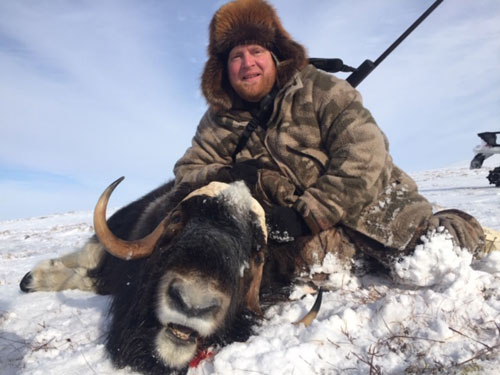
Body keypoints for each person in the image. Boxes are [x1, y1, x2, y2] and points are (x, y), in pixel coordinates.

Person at [173, 0, 485, 272]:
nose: (247, 63)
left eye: (256, 50)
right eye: (236, 56)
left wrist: (309, 215)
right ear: (223, 68)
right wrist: (227, 174)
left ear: (274, 55)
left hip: (371, 210)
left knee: (435, 252)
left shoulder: (320, 89)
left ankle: (466, 228)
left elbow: (366, 154)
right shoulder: (217, 121)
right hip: (295, 236)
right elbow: (186, 175)